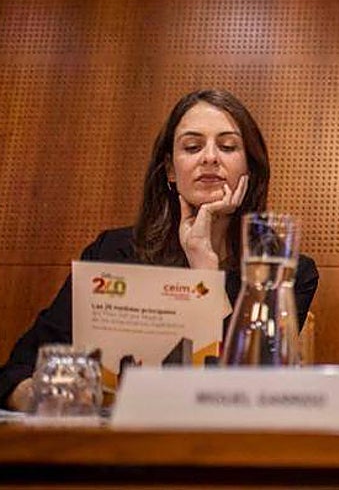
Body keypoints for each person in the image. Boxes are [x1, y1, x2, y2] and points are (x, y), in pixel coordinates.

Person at [0, 88, 319, 410]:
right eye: (193, 147)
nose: (209, 157)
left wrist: (204, 269)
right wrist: (46, 396)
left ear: (250, 168)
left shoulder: (285, 271)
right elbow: (16, 372)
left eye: (227, 146)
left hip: (224, 451)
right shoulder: (111, 253)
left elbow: (249, 393)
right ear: (169, 170)